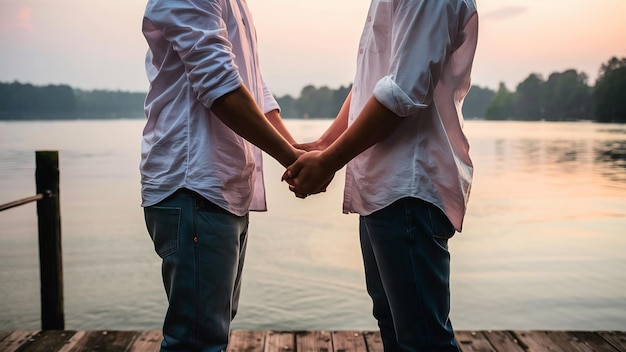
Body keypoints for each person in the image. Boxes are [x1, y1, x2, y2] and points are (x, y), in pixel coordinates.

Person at [283, 0, 479, 350]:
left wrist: (329, 161)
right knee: (396, 327)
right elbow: (374, 83)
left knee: (421, 339)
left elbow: (403, 91)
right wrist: (326, 145)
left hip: (408, 186)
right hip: (386, 187)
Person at [140, 0, 300, 351]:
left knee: (211, 330)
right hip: (195, 184)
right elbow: (220, 85)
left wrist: (295, 153)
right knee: (198, 341)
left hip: (219, 187)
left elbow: (249, 83)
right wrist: (291, 157)